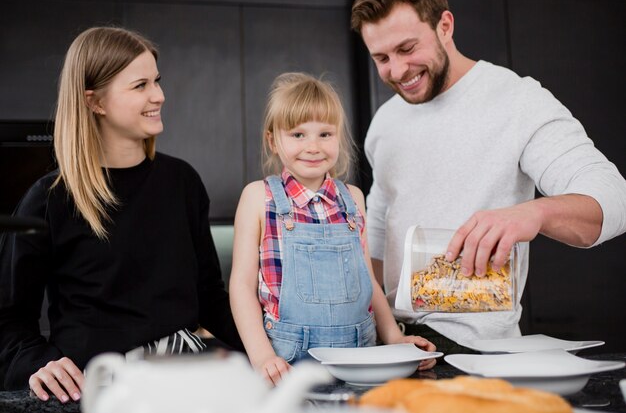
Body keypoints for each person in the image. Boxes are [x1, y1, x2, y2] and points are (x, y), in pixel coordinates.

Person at [350, 0, 626, 353]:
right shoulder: (386, 121)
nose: (398, 70)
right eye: (382, 58)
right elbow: (377, 232)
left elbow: (615, 197)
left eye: (407, 48)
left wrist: (534, 213)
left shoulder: (517, 101)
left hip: (477, 351)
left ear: (445, 26)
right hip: (392, 343)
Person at [0, 26, 242, 402]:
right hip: (95, 390)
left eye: (157, 81)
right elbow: (8, 320)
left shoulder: (183, 182)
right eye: (140, 85)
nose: (159, 95)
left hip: (189, 380)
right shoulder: (49, 199)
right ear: (95, 102)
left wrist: (269, 351)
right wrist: (38, 363)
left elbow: (209, 297)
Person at [229, 72, 436, 385]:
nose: (313, 146)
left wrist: (394, 337)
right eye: (298, 135)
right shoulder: (259, 197)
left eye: (325, 134)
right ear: (273, 140)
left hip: (361, 358)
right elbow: (241, 286)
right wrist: (261, 357)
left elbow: (368, 280)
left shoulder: (352, 199)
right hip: (288, 363)